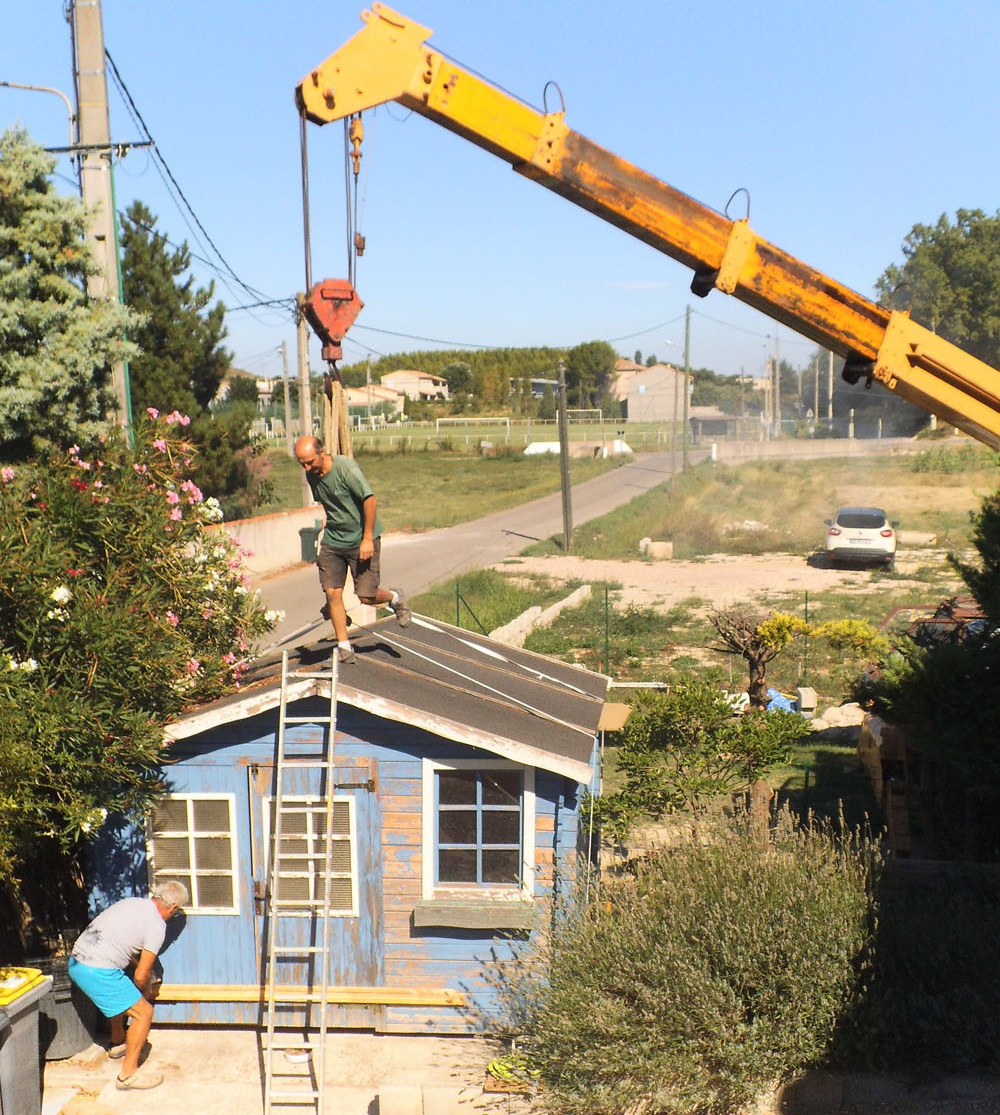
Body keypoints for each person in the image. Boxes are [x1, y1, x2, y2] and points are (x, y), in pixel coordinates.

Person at [294, 435, 410, 663]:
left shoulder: (346, 469)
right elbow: (330, 502)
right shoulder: (312, 475)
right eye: (302, 464)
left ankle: (396, 598)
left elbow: (370, 500)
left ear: (322, 452)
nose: (306, 468)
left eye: (309, 462)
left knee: (366, 596)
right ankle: (345, 649)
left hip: (361, 539)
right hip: (334, 540)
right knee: (332, 594)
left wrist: (367, 539)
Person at [68, 880, 189, 1091]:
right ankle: (127, 1076)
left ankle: (118, 1042)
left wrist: (137, 974)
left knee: (123, 985)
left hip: (77, 963)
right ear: (172, 908)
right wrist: (146, 989)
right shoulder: (157, 926)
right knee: (144, 1013)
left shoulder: (131, 903)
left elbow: (118, 943)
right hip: (97, 971)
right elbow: (141, 976)